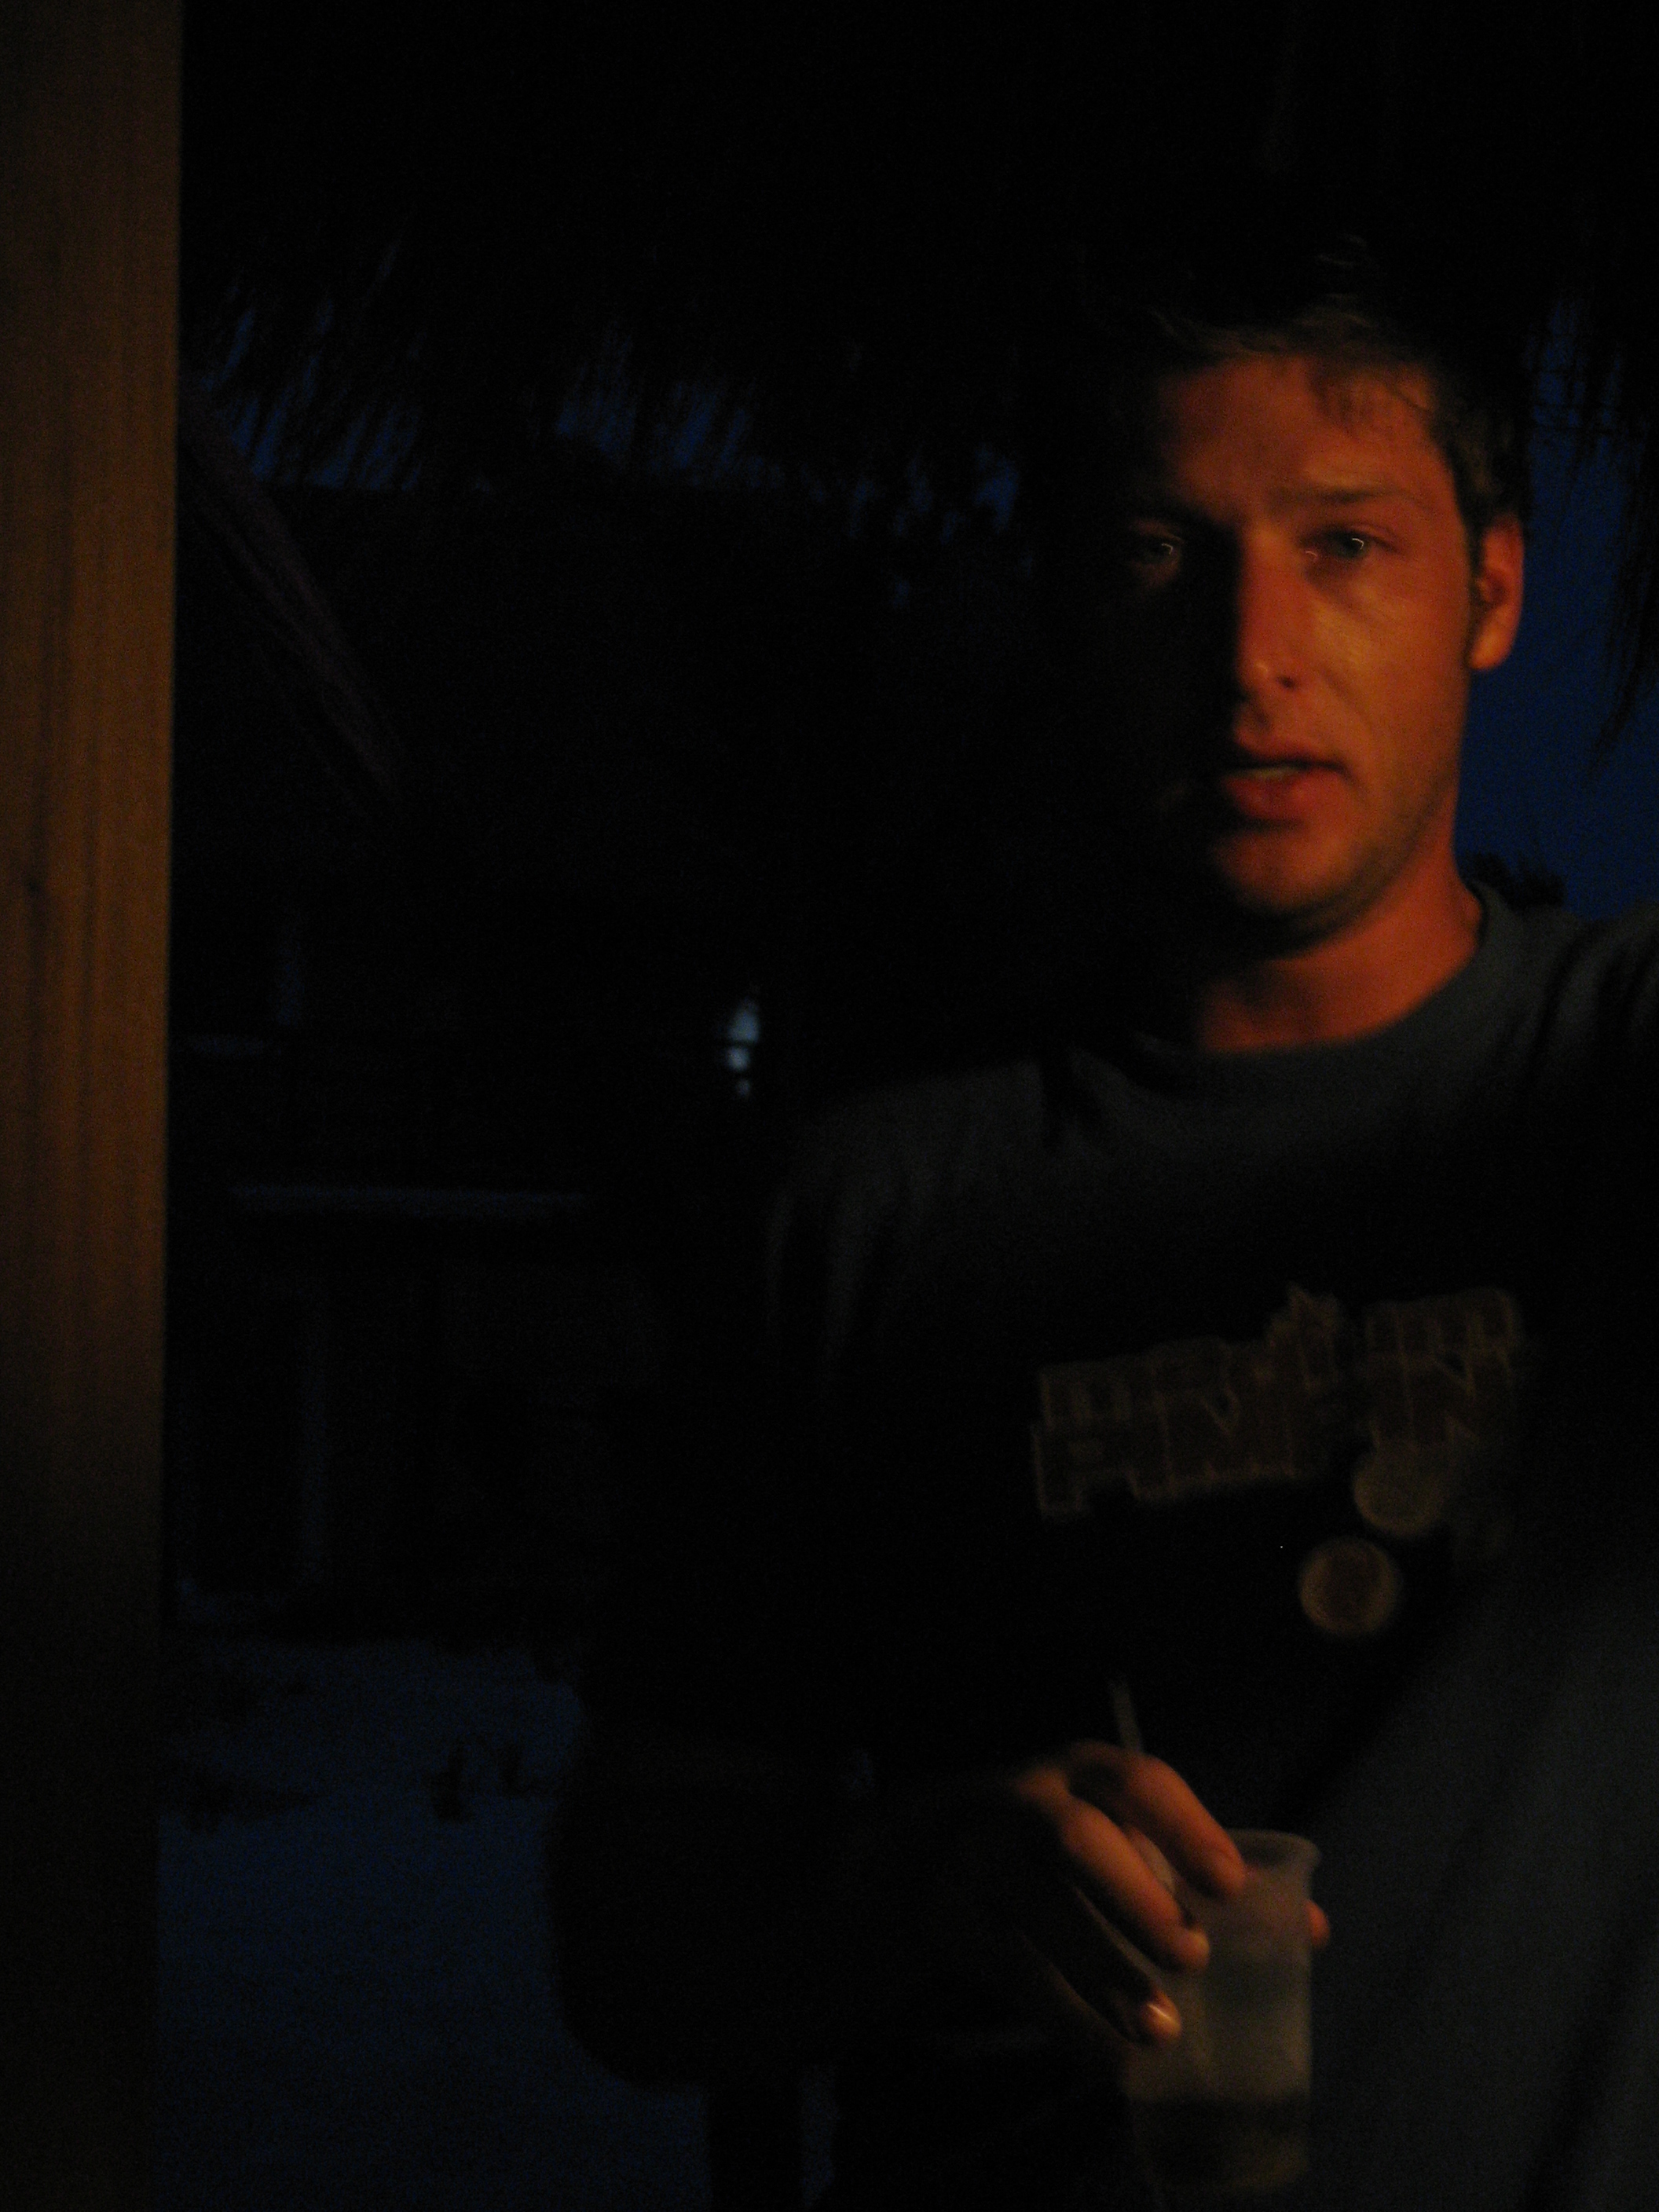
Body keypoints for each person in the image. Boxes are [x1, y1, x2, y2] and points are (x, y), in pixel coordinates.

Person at [552, 223, 1659, 2209]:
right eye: (1161, 552)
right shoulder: (871, 1219)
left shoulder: (1621, 1082)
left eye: (1346, 545)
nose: (1252, 656)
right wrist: (909, 1881)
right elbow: (638, 1952)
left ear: (1493, 588)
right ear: (1061, 598)